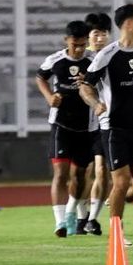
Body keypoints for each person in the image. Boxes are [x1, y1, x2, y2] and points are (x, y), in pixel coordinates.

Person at [78, 4, 133, 239]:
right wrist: (95, 104)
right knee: (121, 183)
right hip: (114, 128)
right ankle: (116, 232)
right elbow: (85, 86)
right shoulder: (107, 55)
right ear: (128, 24)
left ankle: (113, 203)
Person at [35, 20, 94, 237]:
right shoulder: (56, 60)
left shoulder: (93, 60)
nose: (78, 49)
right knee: (60, 173)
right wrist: (50, 96)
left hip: (86, 126)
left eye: (82, 44)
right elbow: (40, 77)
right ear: (66, 41)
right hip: (61, 124)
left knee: (79, 176)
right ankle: (60, 222)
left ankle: (74, 213)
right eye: (75, 44)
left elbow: (104, 83)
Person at [82, 12, 113, 233]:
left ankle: (92, 218)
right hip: (80, 124)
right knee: (81, 173)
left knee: (102, 171)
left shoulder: (113, 56)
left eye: (104, 33)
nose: (100, 38)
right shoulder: (80, 59)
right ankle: (79, 214)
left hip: (103, 123)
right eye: (96, 33)